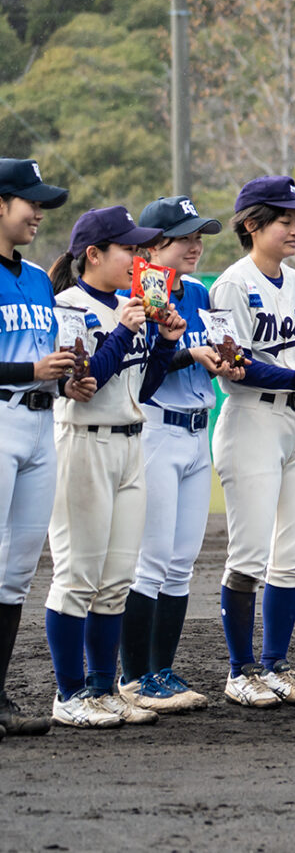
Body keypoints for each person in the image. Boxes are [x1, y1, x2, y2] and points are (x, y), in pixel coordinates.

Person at [45, 206, 184, 727]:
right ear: (94, 255)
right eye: (128, 248)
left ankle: (104, 690)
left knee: (117, 579)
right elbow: (85, 386)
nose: (138, 257)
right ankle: (70, 694)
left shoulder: (134, 306)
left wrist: (166, 344)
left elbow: (140, 390)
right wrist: (125, 331)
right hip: (83, 443)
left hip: (130, 444)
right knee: (78, 574)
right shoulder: (68, 307)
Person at [210, 176, 295, 709]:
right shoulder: (232, 285)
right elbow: (235, 369)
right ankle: (240, 671)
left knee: (291, 557)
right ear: (251, 225)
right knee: (248, 554)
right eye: (283, 219)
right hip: (251, 423)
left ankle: (276, 665)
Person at [117, 196, 237, 715]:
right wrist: (188, 352)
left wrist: (224, 361)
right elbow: (143, 376)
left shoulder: (201, 291)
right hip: (156, 431)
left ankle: (160, 671)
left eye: (199, 235)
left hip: (196, 433)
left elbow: (210, 355)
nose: (196, 244)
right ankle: (133, 676)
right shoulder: (136, 295)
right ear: (154, 244)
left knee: (181, 564)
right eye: (184, 236)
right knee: (151, 563)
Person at [0, 158, 70, 736]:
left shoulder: (39, 278)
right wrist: (30, 366)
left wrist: (67, 379)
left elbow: (46, 363)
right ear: (0, 205)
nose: (39, 212)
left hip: (41, 425)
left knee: (17, 572)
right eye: (29, 202)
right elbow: (26, 362)